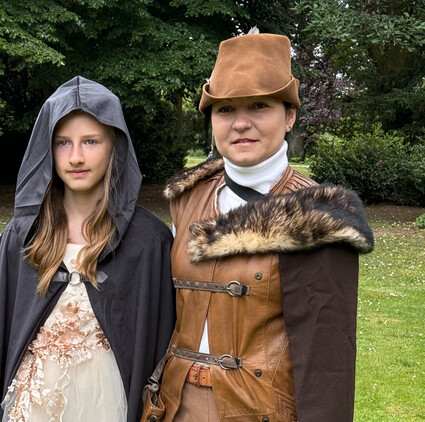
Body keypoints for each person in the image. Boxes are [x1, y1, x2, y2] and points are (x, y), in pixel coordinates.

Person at [157, 32, 375, 421]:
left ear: (289, 116)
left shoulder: (315, 216)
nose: (241, 123)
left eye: (259, 106)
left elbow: (328, 364)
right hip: (174, 406)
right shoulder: (187, 199)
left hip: (259, 411)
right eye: (225, 109)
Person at [0, 76, 175, 422]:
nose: (76, 157)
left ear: (115, 145)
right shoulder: (23, 236)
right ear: (47, 148)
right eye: (63, 142)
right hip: (34, 406)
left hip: (108, 405)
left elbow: (160, 349)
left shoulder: (148, 241)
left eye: (91, 141)